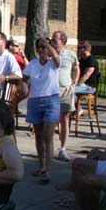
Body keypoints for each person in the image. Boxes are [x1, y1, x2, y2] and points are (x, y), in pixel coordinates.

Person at [23, 37, 61, 179]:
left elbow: (56, 56)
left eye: (43, 47)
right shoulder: (32, 63)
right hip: (35, 100)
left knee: (48, 135)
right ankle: (41, 165)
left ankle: (48, 169)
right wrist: (24, 86)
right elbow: (24, 78)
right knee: (38, 135)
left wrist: (48, 44)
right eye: (39, 46)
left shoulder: (53, 63)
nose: (41, 49)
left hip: (51, 100)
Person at [52, 31, 79, 162]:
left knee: (65, 118)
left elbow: (76, 68)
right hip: (51, 90)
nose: (52, 41)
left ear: (62, 41)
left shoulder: (70, 54)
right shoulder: (49, 53)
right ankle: (48, 147)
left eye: (55, 39)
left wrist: (75, 82)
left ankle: (63, 148)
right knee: (50, 120)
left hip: (66, 90)